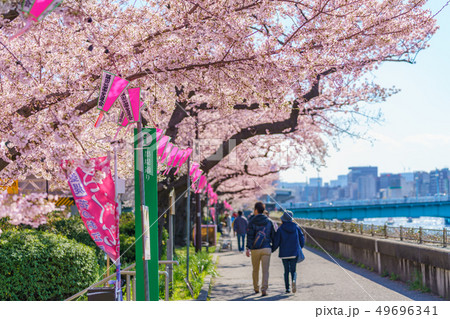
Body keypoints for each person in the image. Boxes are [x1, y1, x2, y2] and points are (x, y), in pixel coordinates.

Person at [246, 201, 276, 296]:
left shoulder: (252, 221)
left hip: (255, 249)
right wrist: (272, 248)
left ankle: (256, 288)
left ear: (256, 210)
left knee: (255, 269)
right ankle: (264, 289)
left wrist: (248, 248)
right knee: (265, 270)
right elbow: (274, 236)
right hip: (266, 248)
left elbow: (250, 236)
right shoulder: (269, 222)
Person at [272, 210, 305, 294]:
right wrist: (299, 248)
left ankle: (287, 288)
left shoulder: (280, 228)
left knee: (286, 271)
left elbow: (277, 242)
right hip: (294, 252)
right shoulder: (296, 227)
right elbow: (302, 239)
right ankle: (293, 280)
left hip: (284, 253)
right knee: (293, 271)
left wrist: (272, 249)